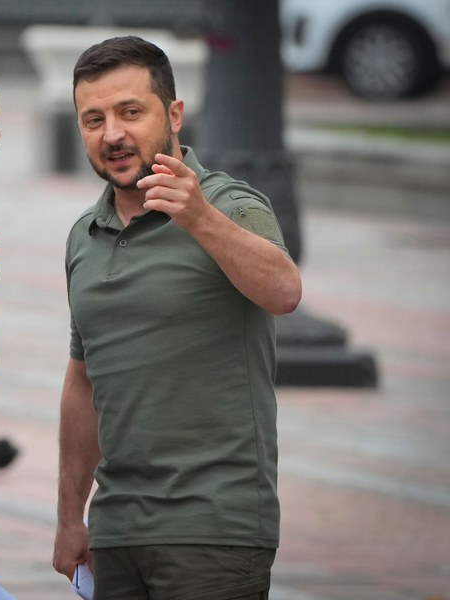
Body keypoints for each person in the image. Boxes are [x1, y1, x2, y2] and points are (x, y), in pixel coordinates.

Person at [52, 36, 302, 600]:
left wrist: (200, 219)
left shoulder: (230, 204)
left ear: (173, 115)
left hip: (214, 527)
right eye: (93, 119)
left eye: (130, 112)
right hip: (115, 530)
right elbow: (82, 381)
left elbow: (285, 291)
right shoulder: (83, 236)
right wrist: (70, 517)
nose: (112, 134)